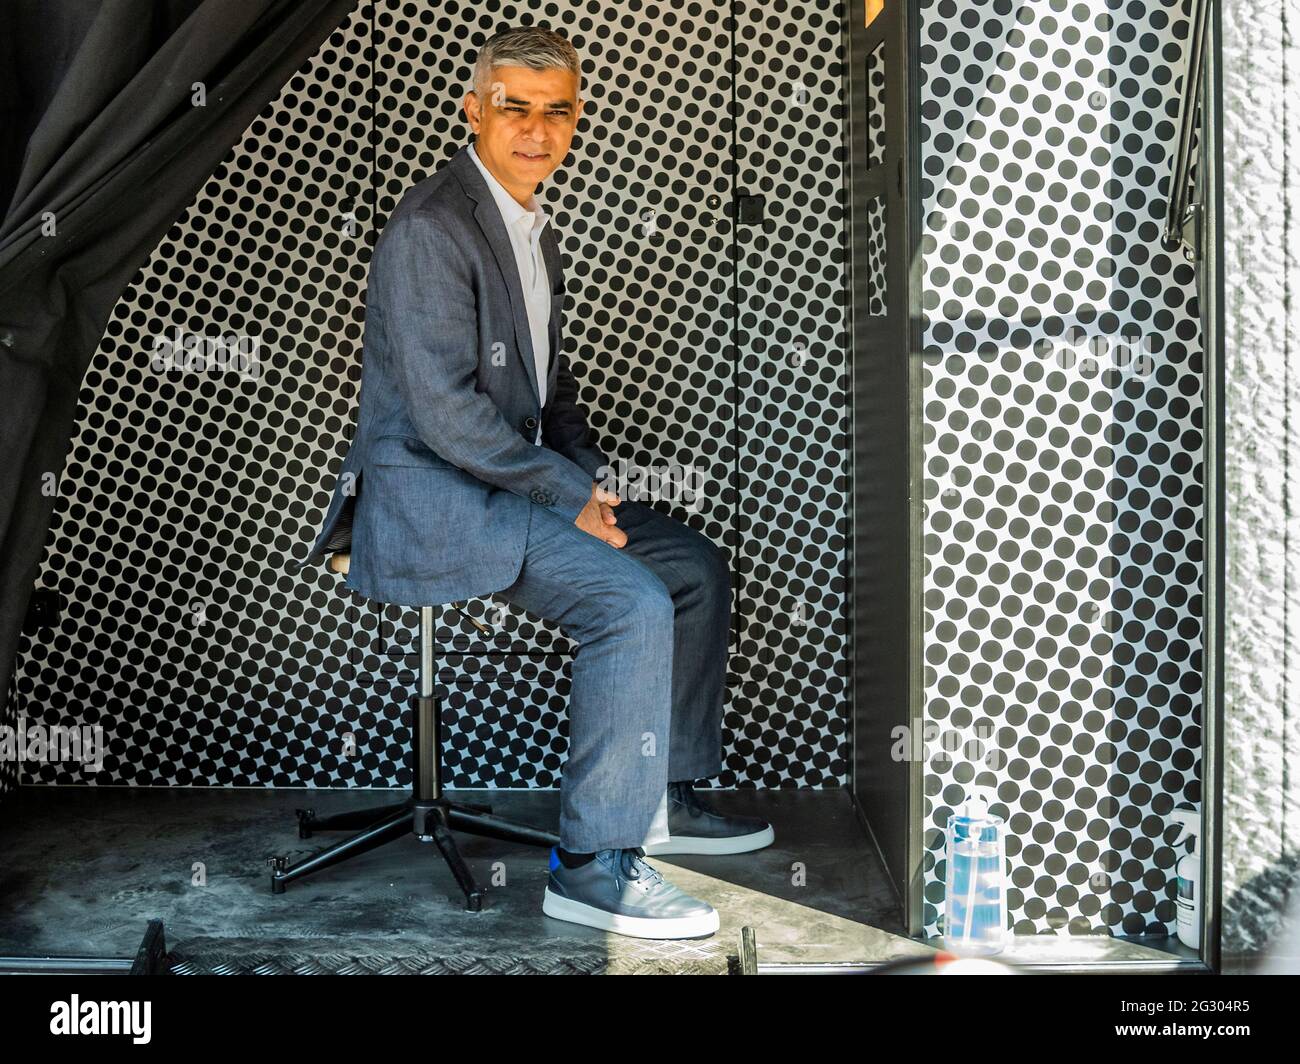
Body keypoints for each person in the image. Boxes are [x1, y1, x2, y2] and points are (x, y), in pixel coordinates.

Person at [304, 25, 773, 939]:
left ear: (577, 120)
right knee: (630, 602)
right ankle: (592, 865)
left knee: (692, 569)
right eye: (513, 107)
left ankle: (662, 798)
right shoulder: (432, 226)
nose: (535, 129)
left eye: (555, 111)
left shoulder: (532, 231)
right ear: (474, 110)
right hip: (436, 502)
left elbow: (553, 401)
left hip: (510, 487)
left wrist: (590, 488)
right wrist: (564, 498)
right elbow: (443, 412)